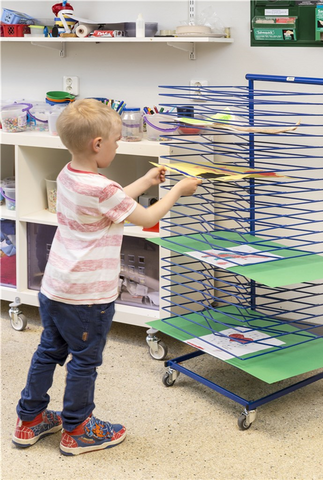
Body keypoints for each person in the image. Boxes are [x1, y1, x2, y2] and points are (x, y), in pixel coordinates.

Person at [12, 99, 201, 456]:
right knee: (84, 360)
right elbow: (144, 218)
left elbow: (111, 206)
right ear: (97, 144)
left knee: (48, 351)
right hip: (87, 298)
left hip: (55, 289)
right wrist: (175, 191)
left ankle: (30, 419)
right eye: (116, 140)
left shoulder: (69, 175)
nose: (118, 145)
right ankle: (79, 429)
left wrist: (145, 179)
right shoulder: (103, 188)